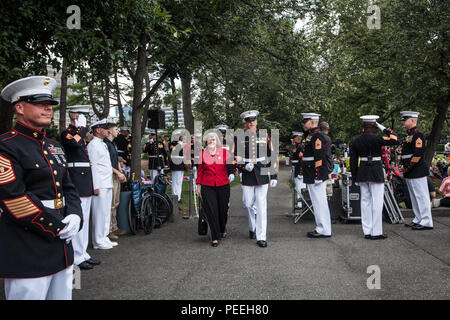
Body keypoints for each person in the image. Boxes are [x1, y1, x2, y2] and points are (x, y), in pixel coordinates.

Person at [0, 76, 83, 300]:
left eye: (50, 104)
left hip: (63, 247)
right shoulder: (6, 146)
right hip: (28, 247)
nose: (48, 108)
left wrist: (75, 215)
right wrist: (55, 227)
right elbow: (14, 198)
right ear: (19, 107)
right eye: (39, 103)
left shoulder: (54, 146)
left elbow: (68, 186)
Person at [60, 105, 100, 271]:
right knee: (79, 218)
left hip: (84, 180)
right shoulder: (68, 133)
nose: (88, 120)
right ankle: (76, 256)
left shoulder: (80, 134)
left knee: (85, 218)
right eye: (84, 116)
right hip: (77, 179)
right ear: (76, 117)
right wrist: (82, 128)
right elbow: (74, 145)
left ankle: (82, 253)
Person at [349, 115, 399, 240]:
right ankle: (376, 231)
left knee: (365, 202)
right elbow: (395, 139)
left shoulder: (355, 140)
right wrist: (382, 127)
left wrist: (355, 177)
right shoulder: (378, 138)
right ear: (373, 126)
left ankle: (367, 230)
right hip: (376, 171)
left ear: (363, 126)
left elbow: (353, 162)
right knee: (377, 202)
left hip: (363, 172)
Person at [234, 110, 277, 248]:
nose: (251, 123)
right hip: (247, 173)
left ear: (257, 121)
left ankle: (261, 236)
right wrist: (243, 167)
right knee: (247, 204)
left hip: (262, 172)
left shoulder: (264, 135)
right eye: (248, 121)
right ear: (245, 123)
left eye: (253, 120)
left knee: (261, 205)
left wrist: (274, 174)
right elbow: (235, 158)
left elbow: (272, 155)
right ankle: (252, 227)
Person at [196, 132, 235, 247]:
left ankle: (222, 229)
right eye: (209, 140)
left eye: (213, 139)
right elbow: (200, 171)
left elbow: (231, 166)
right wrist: (198, 186)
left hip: (223, 184)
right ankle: (215, 236)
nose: (211, 141)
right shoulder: (202, 155)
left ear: (217, 141)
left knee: (223, 210)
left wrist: (233, 170)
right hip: (207, 186)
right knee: (211, 211)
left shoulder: (224, 152)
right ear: (206, 142)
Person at [399, 111, 433, 230]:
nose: (403, 122)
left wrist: (407, 166)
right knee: (414, 196)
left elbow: (418, 154)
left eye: (405, 120)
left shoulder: (418, 135)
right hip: (410, 170)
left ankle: (426, 221)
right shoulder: (409, 135)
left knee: (421, 196)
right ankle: (418, 218)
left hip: (416, 169)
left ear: (413, 120)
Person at [87, 119, 118, 249]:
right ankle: (98, 240)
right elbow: (93, 166)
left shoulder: (102, 144)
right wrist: (95, 186)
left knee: (105, 213)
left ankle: (104, 237)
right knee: (99, 213)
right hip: (100, 184)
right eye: (105, 128)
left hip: (107, 182)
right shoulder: (93, 145)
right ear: (98, 130)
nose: (107, 130)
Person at [301, 113, 331, 238]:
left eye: (305, 121)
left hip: (315, 174)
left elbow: (319, 157)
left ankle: (324, 229)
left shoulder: (317, 136)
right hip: (311, 173)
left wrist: (318, 176)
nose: (303, 123)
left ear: (312, 122)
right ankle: (321, 227)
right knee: (317, 202)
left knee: (320, 202)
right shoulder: (311, 135)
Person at [104, 122, 127, 241]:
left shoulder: (113, 143)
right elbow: (106, 163)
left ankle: (114, 226)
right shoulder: (105, 144)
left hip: (116, 175)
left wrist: (120, 171)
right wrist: (117, 172)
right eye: (116, 129)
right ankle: (109, 230)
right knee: (110, 204)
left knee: (116, 203)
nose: (118, 131)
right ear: (109, 131)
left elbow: (116, 159)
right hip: (109, 176)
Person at [169, 129, 186, 203]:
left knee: (180, 181)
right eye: (180, 136)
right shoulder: (173, 143)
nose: (181, 137)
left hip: (181, 163)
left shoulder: (182, 143)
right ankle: (174, 196)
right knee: (175, 181)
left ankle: (178, 197)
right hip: (176, 163)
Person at [291, 131, 305, 209]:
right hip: (296, 170)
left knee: (300, 187)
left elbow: (301, 161)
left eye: (294, 138)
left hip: (299, 171)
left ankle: (301, 204)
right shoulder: (297, 147)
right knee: (297, 187)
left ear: (297, 139)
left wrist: (300, 172)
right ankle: (300, 204)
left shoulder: (300, 147)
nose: (293, 140)